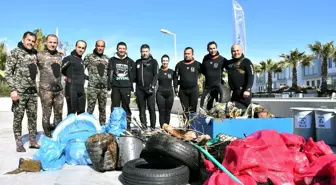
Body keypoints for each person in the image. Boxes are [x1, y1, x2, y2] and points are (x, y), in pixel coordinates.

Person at [4, 31, 40, 152]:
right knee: (18, 118)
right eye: (29, 40)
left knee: (33, 118)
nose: (31, 43)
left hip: (33, 93)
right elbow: (7, 73)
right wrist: (13, 89)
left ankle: (32, 141)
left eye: (33, 41)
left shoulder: (35, 54)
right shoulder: (15, 53)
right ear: (23, 39)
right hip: (20, 92)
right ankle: (19, 143)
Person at [36, 34, 64, 137]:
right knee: (46, 115)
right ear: (46, 42)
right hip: (45, 90)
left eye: (55, 42)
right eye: (50, 42)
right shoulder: (39, 54)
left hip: (59, 90)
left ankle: (57, 135)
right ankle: (47, 136)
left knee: (58, 114)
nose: (52, 44)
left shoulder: (60, 56)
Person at [107, 42, 135, 128]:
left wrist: (131, 86)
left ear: (126, 49)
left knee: (126, 107)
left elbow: (133, 75)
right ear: (117, 49)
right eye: (120, 48)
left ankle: (127, 125)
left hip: (126, 88)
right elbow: (109, 73)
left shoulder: (130, 61)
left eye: (123, 48)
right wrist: (109, 85)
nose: (122, 50)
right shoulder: (111, 60)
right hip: (115, 87)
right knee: (115, 108)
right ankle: (114, 125)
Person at [84, 40, 109, 125]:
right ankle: (88, 126)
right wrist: (88, 78)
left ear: (104, 47)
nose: (100, 48)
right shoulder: (89, 57)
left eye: (102, 46)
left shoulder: (107, 58)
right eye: (98, 46)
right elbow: (80, 70)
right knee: (90, 109)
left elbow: (110, 72)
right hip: (92, 88)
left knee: (103, 109)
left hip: (103, 88)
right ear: (95, 46)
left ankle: (102, 126)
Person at [173, 47, 201, 124]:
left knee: (193, 111)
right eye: (185, 53)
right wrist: (176, 88)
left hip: (194, 91)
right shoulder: (179, 65)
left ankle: (193, 128)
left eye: (188, 53)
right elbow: (175, 77)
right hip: (183, 91)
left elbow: (207, 73)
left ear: (193, 54)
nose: (187, 55)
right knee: (185, 111)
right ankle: (186, 127)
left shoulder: (197, 64)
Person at [134, 44, 159, 129]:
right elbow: (134, 77)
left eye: (146, 51)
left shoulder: (154, 62)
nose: (145, 53)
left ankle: (152, 127)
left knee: (151, 109)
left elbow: (156, 75)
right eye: (143, 51)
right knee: (141, 110)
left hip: (150, 89)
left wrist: (152, 87)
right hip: (140, 90)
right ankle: (144, 127)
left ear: (149, 52)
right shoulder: (137, 62)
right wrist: (134, 89)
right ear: (140, 52)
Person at [62, 40, 88, 115]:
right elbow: (61, 70)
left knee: (82, 112)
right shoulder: (68, 58)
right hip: (71, 89)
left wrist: (88, 78)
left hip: (81, 89)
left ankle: (80, 127)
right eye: (79, 47)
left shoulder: (81, 60)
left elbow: (80, 74)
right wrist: (67, 76)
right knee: (72, 113)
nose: (81, 49)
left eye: (83, 48)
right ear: (75, 47)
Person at [225, 44, 254, 109]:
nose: (236, 53)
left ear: (241, 51)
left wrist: (248, 89)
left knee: (243, 110)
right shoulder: (229, 63)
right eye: (234, 51)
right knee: (232, 112)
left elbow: (251, 76)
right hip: (235, 93)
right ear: (231, 52)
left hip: (244, 92)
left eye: (237, 50)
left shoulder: (246, 61)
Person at [200, 41, 227, 110]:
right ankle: (207, 119)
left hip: (218, 87)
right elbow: (202, 69)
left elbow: (230, 68)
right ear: (208, 49)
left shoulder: (222, 59)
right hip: (207, 86)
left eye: (214, 48)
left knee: (219, 108)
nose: (212, 50)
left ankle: (217, 120)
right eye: (210, 48)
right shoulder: (205, 58)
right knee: (204, 106)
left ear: (217, 48)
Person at [156, 54, 175, 127]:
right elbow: (153, 80)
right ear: (161, 61)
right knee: (162, 112)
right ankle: (162, 128)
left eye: (166, 61)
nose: (165, 62)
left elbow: (176, 80)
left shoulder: (171, 72)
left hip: (170, 94)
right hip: (160, 94)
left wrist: (176, 89)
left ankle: (167, 128)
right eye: (163, 61)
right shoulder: (158, 72)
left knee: (168, 112)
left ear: (168, 61)